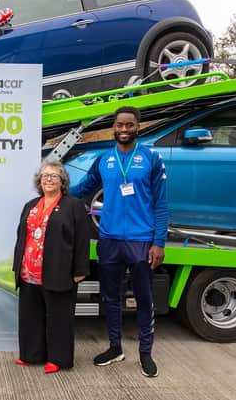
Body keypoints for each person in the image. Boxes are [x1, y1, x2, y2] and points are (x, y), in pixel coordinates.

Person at [70, 105, 168, 378]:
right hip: (109, 239)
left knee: (144, 298)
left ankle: (145, 353)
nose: (124, 129)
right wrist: (57, 189)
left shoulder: (151, 158)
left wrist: (158, 242)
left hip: (141, 240)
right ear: (113, 127)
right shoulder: (104, 159)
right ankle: (115, 347)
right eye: (119, 125)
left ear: (138, 126)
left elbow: (161, 203)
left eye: (129, 125)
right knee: (110, 297)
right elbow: (85, 187)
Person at [12, 160, 90, 374]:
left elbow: (83, 240)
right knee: (31, 316)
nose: (48, 179)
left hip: (59, 271)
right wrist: (17, 267)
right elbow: (21, 237)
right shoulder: (30, 205)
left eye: (54, 176)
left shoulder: (73, 205)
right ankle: (31, 355)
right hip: (29, 272)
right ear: (39, 181)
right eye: (45, 176)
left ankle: (58, 359)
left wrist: (80, 270)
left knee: (60, 318)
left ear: (62, 181)